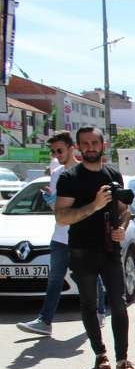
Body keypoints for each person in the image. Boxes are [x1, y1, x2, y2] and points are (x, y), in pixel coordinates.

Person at [54, 126, 135, 369]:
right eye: (85, 143)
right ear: (78, 147)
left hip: (110, 249)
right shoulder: (69, 178)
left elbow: (124, 210)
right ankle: (100, 352)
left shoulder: (113, 174)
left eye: (95, 143)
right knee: (90, 304)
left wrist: (122, 228)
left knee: (119, 303)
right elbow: (61, 217)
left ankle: (122, 359)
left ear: (103, 145)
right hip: (82, 251)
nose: (90, 147)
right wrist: (94, 206)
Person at [17, 131, 91, 336]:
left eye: (60, 150)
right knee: (55, 279)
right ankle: (44, 321)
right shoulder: (56, 173)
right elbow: (58, 210)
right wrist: (52, 203)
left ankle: (100, 311)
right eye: (53, 151)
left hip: (80, 236)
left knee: (87, 277)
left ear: (72, 148)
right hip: (60, 235)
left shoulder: (84, 172)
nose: (56, 154)